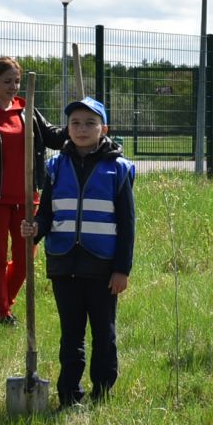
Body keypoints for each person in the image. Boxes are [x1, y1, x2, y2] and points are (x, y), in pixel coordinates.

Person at [24, 97, 135, 408]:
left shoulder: (118, 170)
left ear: (104, 129)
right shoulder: (54, 168)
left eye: (90, 123)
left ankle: (102, 390)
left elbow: (127, 225)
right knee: (70, 335)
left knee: (104, 333)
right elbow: (46, 214)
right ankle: (69, 394)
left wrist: (122, 269)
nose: (82, 129)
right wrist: (36, 229)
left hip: (102, 267)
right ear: (66, 129)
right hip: (64, 265)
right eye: (75, 123)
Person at [0, 56, 62, 326]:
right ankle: (2, 312)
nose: (14, 86)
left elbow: (52, 136)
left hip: (28, 200)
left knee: (25, 259)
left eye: (17, 81)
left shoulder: (26, 110)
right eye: (7, 81)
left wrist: (81, 124)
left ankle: (3, 303)